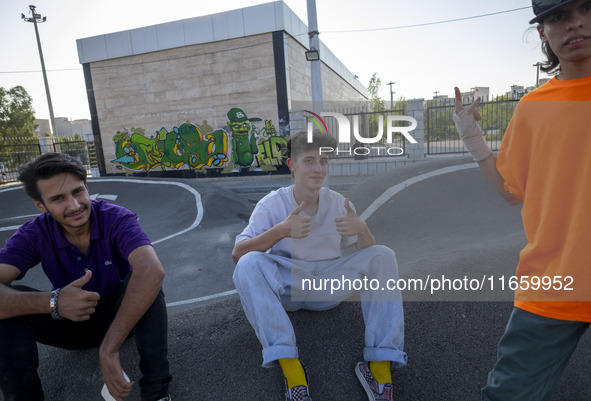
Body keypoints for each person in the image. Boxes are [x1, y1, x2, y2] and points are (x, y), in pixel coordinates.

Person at [453, 1, 591, 399]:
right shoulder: (532, 109)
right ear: (544, 33)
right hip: (552, 281)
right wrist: (471, 138)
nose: (574, 22)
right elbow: (510, 191)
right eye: (558, 16)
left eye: (585, 7)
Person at [232, 131, 406, 401]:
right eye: (309, 161)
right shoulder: (271, 204)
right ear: (292, 165)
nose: (318, 168)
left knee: (383, 254)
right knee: (248, 264)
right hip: (289, 288)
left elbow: (367, 253)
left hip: (327, 286)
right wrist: (279, 231)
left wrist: (363, 230)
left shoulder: (339, 203)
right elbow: (238, 254)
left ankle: (380, 373)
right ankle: (294, 374)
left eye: (324, 161)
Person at [0, 153, 172, 401]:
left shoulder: (115, 218)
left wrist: (109, 349)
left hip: (120, 317)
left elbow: (152, 271)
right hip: (68, 320)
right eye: (58, 199)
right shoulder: (33, 234)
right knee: (12, 305)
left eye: (78, 192)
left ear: (87, 187)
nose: (74, 205)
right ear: (41, 205)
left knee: (147, 281)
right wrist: (53, 301)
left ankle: (157, 393)